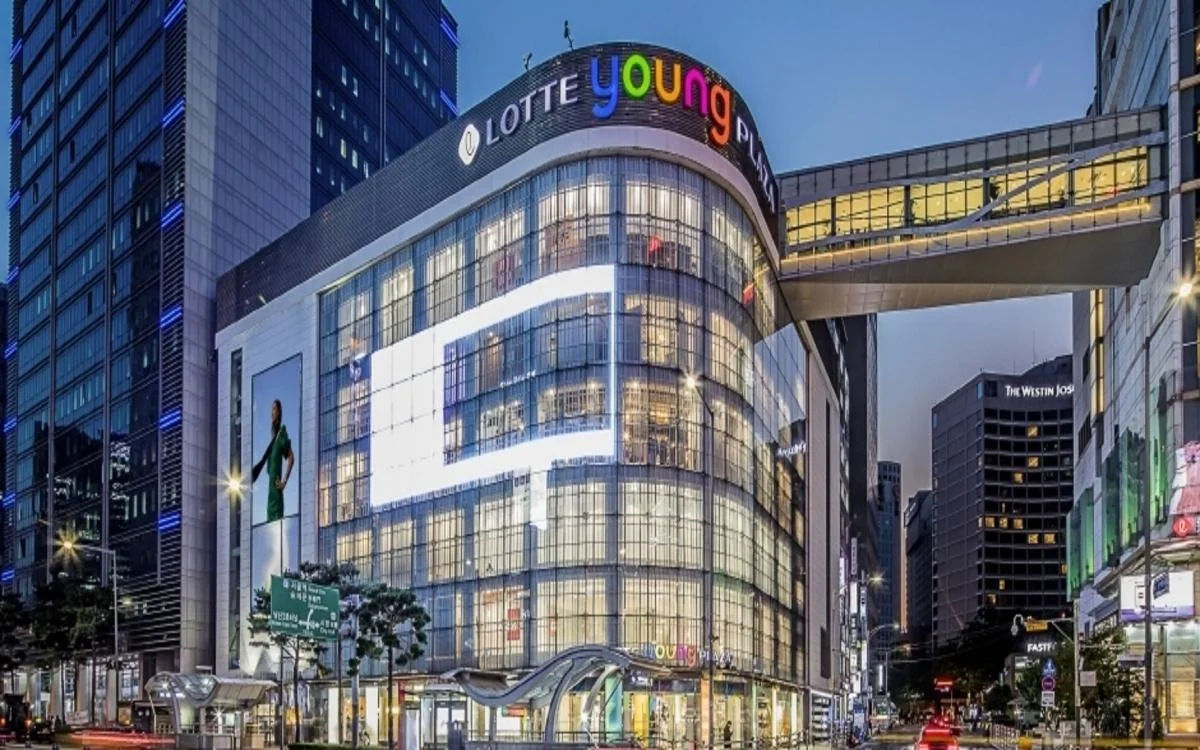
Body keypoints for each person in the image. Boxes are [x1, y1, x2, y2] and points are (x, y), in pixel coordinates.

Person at [252, 399, 294, 522]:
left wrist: (284, 482)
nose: (272, 412)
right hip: (270, 499)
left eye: (274, 409)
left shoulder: (281, 434)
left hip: (276, 495)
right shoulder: (272, 443)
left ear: (279, 412)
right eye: (271, 409)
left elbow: (291, 458)